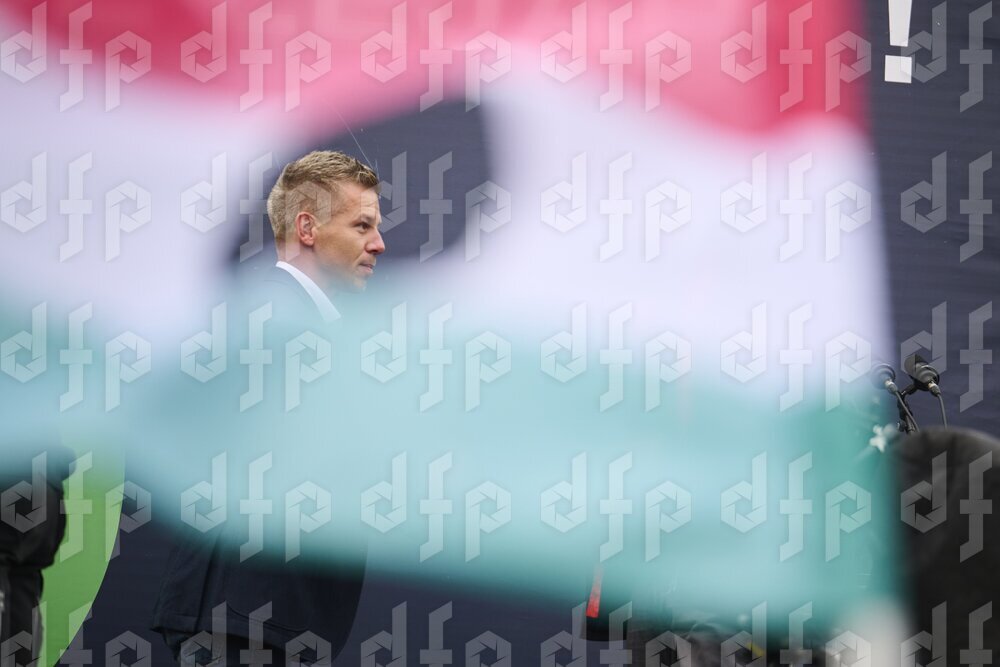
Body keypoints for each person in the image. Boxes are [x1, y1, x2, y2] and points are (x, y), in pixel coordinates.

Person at [152, 150, 385, 666]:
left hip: (272, 621)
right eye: (362, 225)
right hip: (243, 622)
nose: (378, 243)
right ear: (307, 228)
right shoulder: (265, 321)